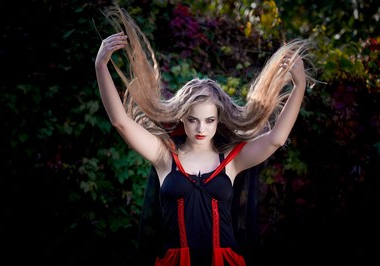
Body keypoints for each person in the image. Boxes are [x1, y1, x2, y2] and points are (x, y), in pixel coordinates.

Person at [95, 6, 314, 266]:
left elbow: (276, 139)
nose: (201, 128)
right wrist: (101, 66)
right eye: (192, 120)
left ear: (219, 120)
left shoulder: (231, 160)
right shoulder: (164, 156)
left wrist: (299, 85)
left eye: (209, 120)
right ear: (181, 119)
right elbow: (121, 122)